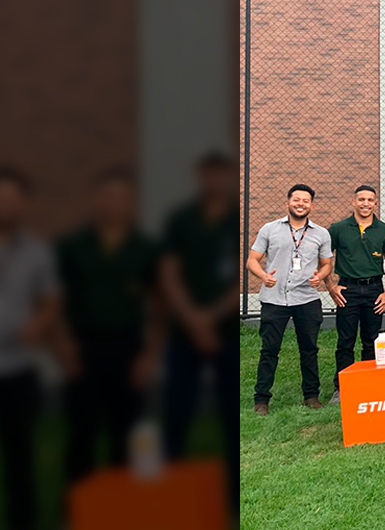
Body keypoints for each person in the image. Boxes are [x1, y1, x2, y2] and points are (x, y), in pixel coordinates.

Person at [57, 170, 161, 484]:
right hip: (83, 346)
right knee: (82, 429)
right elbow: (54, 299)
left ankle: (122, 506)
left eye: (122, 197)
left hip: (129, 346)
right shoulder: (73, 246)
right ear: (97, 201)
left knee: (128, 430)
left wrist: (149, 356)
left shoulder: (144, 248)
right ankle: (76, 507)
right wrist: (63, 346)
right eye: (108, 196)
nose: (115, 204)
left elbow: (160, 305)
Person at [158, 153, 240, 512]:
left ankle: (229, 492)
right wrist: (193, 319)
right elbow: (169, 272)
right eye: (209, 174)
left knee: (228, 408)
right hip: (184, 330)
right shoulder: (181, 219)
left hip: (224, 329)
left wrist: (211, 317)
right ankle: (169, 481)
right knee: (177, 405)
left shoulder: (235, 219)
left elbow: (240, 274)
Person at [0, 168, 62, 530]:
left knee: (19, 453)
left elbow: (51, 299)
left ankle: (23, 518)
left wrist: (39, 322)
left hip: (18, 368)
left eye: (12, 197)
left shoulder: (37, 252)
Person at [247, 184, 333, 414]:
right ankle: (262, 400)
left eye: (305, 201)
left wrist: (320, 277)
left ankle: (311, 396)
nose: (301, 204)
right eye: (296, 200)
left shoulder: (321, 233)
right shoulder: (269, 229)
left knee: (309, 349)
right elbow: (252, 260)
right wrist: (263, 275)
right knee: (269, 350)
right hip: (274, 300)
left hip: (306, 299)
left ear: (311, 206)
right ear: (288, 203)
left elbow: (327, 265)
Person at [324, 185, 385, 403]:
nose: (365, 204)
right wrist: (331, 287)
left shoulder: (384, 230)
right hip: (347, 290)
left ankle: (368, 383)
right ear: (353, 202)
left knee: (371, 341)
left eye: (370, 200)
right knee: (345, 341)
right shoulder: (338, 228)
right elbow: (324, 259)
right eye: (361, 199)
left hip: (374, 289)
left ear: (375, 203)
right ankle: (342, 387)